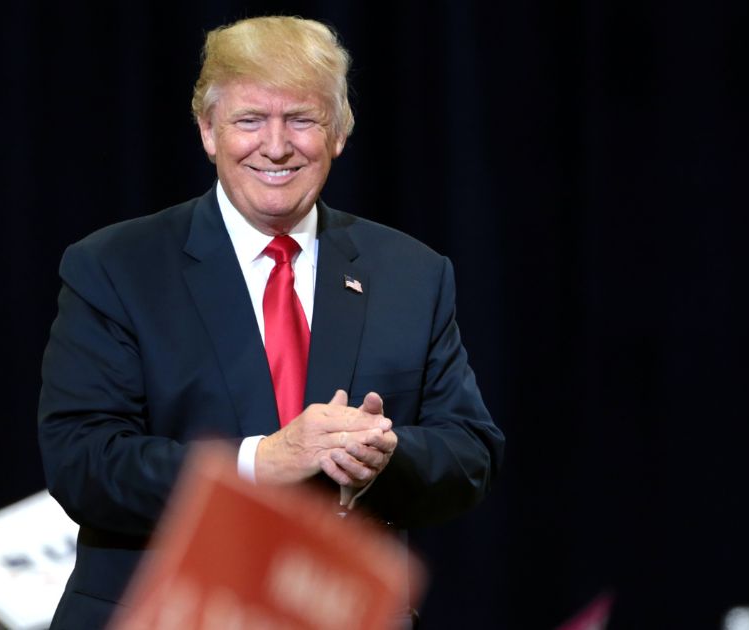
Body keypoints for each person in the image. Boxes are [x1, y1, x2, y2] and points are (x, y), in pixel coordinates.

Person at [37, 15, 504, 628]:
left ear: (339, 133)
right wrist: (261, 462)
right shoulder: (116, 267)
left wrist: (382, 458)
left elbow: (470, 452)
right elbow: (83, 461)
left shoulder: (412, 274)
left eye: (302, 120)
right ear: (208, 131)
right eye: (250, 120)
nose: (276, 146)